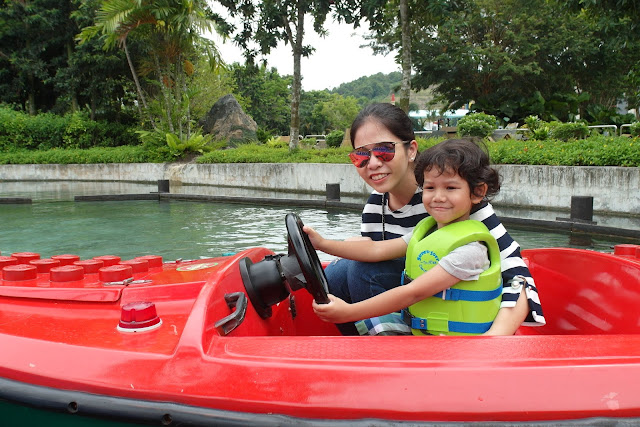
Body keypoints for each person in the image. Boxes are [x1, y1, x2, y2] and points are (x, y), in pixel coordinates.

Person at [321, 103, 544, 335]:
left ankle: (391, 350)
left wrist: (493, 339)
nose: (374, 163)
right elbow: (378, 255)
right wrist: (328, 244)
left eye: (384, 151)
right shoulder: (375, 206)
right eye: (361, 155)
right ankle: (369, 347)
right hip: (414, 307)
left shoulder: (457, 202)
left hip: (459, 317)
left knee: (359, 270)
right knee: (336, 274)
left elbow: (517, 276)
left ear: (411, 150)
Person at [305, 139, 504, 335]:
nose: (438, 197)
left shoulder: (470, 249)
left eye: (450, 188)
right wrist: (322, 244)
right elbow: (376, 250)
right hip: (423, 328)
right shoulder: (427, 231)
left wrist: (349, 312)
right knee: (339, 273)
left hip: (452, 343)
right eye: (430, 188)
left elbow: (413, 292)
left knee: (373, 316)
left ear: (477, 192)